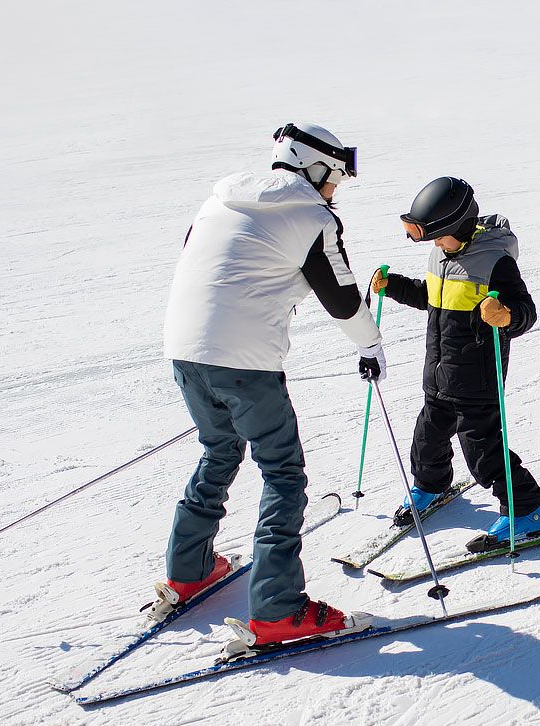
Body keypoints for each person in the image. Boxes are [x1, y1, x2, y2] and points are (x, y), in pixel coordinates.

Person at [156, 122, 383, 648]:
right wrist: (370, 344)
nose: (335, 191)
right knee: (282, 472)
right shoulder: (312, 217)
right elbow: (343, 299)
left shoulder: (220, 199)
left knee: (219, 449)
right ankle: (279, 609)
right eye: (336, 180)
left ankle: (188, 571)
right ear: (315, 167)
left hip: (183, 351)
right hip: (245, 364)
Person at [371, 176, 540, 551]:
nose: (437, 245)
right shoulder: (441, 257)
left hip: (477, 380)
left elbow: (526, 312)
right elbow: (432, 297)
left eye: (439, 237)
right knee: (427, 440)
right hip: (439, 375)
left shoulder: (495, 262)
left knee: (484, 453)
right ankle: (432, 486)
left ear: (458, 226)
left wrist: (505, 315)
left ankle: (528, 510)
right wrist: (393, 287)